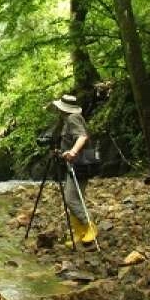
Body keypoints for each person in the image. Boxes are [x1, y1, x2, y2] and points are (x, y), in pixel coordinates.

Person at [51, 94, 97, 245]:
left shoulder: (73, 118)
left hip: (80, 163)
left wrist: (73, 152)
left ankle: (90, 226)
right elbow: (70, 141)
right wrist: (60, 152)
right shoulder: (68, 120)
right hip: (77, 163)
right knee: (75, 198)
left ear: (63, 108)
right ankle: (79, 233)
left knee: (71, 199)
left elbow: (82, 137)